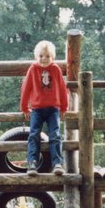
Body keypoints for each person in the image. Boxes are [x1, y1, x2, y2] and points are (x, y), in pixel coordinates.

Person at [20, 40, 68, 176]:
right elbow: (26, 88)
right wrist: (24, 107)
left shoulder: (55, 69)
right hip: (37, 109)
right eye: (41, 56)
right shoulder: (33, 69)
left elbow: (62, 89)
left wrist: (64, 107)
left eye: (47, 56)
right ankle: (32, 163)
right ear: (36, 56)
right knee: (34, 134)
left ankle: (57, 163)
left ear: (52, 57)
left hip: (53, 109)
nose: (44, 59)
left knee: (55, 135)